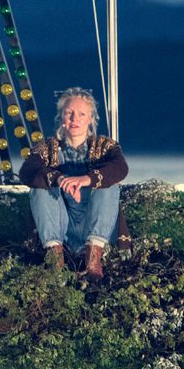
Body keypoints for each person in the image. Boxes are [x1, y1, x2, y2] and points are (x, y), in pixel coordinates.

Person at [19, 87, 127, 279]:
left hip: (94, 226)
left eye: (81, 114)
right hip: (60, 227)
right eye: (69, 113)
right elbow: (26, 172)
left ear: (91, 119)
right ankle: (56, 262)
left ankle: (94, 263)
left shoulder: (105, 147)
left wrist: (87, 179)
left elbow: (120, 168)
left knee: (109, 185)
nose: (74, 119)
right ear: (61, 118)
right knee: (41, 188)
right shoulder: (47, 148)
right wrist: (58, 178)